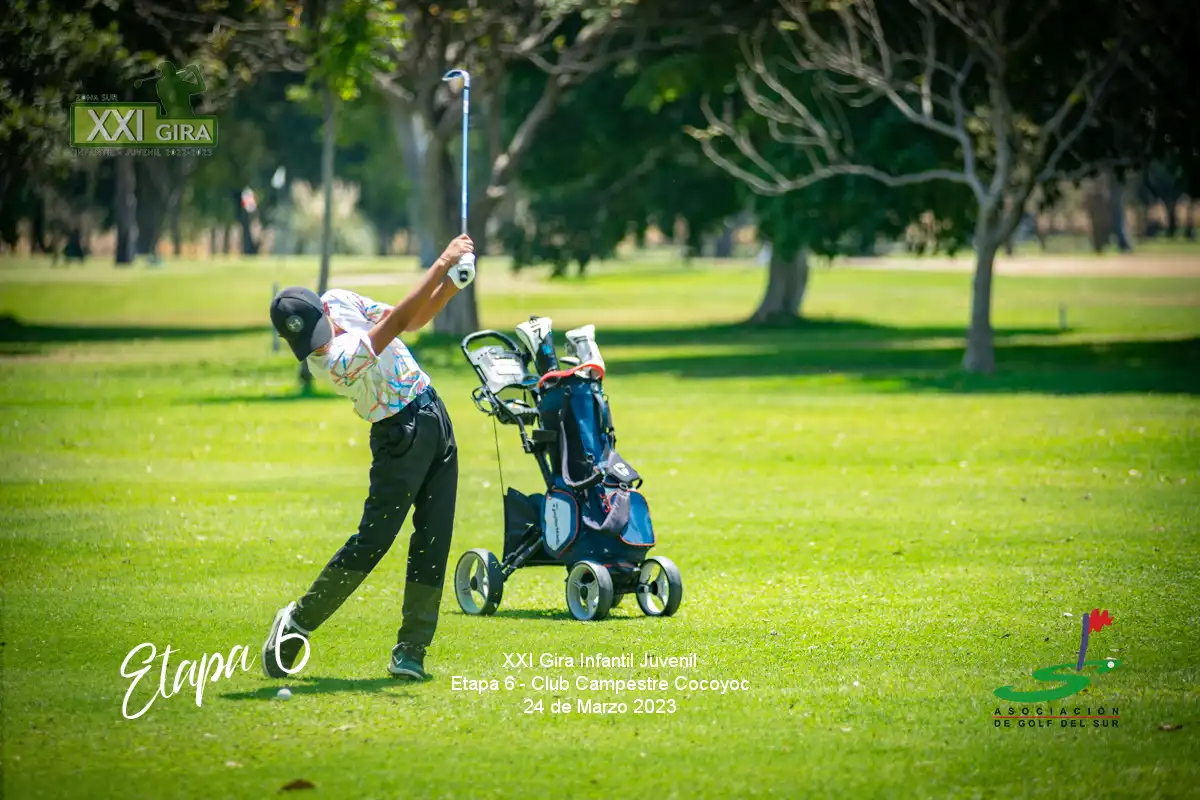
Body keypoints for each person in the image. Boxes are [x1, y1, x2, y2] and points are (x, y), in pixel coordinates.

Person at [262, 233, 475, 681]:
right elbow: (394, 324)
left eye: (318, 334)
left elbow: (412, 320)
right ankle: (298, 621)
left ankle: (411, 649)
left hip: (433, 413)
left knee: (434, 536)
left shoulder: (339, 300)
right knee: (373, 541)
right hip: (398, 437)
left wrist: (451, 286)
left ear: (321, 310)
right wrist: (442, 262)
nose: (318, 345)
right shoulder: (332, 362)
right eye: (308, 344)